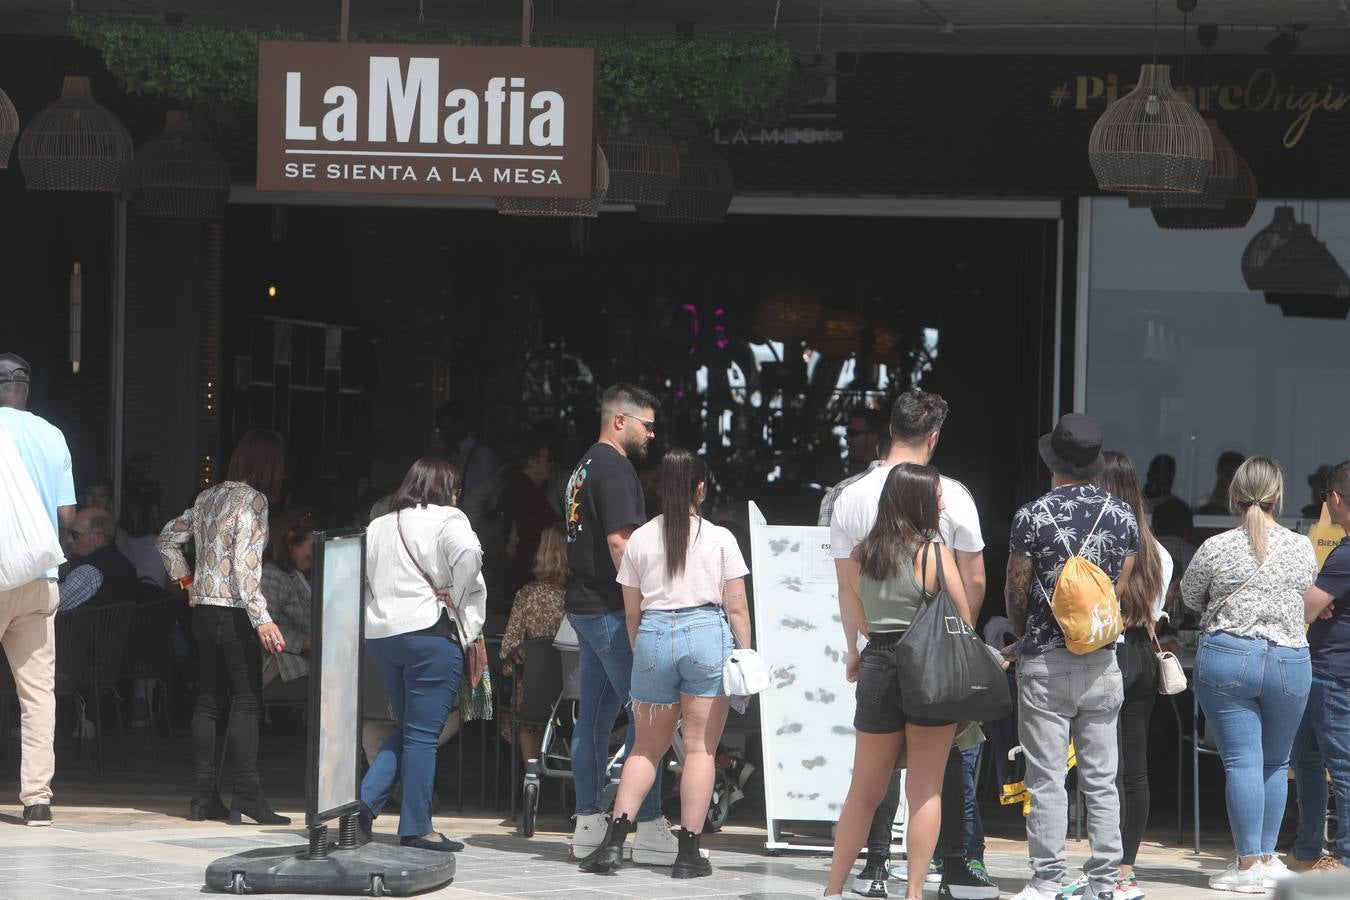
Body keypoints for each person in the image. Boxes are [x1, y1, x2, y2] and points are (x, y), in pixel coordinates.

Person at [826, 390, 996, 900]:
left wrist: (857, 647)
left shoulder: (863, 546)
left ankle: (833, 889)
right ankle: (915, 892)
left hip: (878, 660)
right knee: (925, 788)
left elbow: (851, 600)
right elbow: (964, 606)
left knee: (863, 789)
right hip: (929, 670)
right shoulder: (935, 551)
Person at [579, 449, 752, 878]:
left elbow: (631, 613)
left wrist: (643, 651)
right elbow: (736, 608)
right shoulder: (720, 539)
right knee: (700, 750)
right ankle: (688, 853)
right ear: (700, 488)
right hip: (706, 635)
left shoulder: (640, 539)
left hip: (653, 635)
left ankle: (613, 844)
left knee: (644, 748)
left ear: (660, 488)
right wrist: (745, 652)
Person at [1004, 414, 1139, 900]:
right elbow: (1115, 592)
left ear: (1053, 462)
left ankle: (1047, 880)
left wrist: (1026, 632)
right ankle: (1104, 882)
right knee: (1102, 780)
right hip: (1102, 661)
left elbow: (1016, 590)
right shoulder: (1123, 517)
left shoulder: (1032, 515)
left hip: (1045, 660)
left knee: (1046, 779)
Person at [1181, 455, 1318, 892]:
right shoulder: (1301, 547)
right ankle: (1267, 858)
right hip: (1289, 660)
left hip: (1229, 656)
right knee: (1276, 762)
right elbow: (1306, 590)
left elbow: (1189, 597)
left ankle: (1246, 866)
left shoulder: (1216, 546)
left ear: (1234, 495)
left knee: (1242, 761)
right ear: (1278, 496)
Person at [563, 383, 680, 864]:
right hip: (612, 610)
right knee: (648, 717)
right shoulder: (614, 469)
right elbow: (620, 544)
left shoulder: (584, 465)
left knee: (592, 719)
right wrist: (647, 602)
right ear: (620, 420)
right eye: (646, 424)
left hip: (587, 606)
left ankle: (588, 821)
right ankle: (646, 824)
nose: (652, 434)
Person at [157, 429, 291, 826]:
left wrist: (187, 581)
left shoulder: (207, 497)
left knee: (208, 701)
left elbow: (166, 539)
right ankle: (246, 793)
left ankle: (203, 797)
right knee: (247, 702)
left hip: (203, 612)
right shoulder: (254, 500)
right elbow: (246, 566)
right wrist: (263, 618)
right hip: (235, 613)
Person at [1056, 452, 1171, 900]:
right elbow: (1156, 613)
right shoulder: (1158, 552)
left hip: (1109, 654)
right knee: (1135, 770)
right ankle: (1125, 870)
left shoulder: (1099, 543)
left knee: (1105, 772)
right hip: (1144, 655)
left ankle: (1103, 871)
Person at [359, 458, 486, 851]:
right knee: (422, 735)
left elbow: (362, 575)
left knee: (412, 729)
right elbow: (470, 553)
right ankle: (416, 828)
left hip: (383, 637)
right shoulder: (448, 518)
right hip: (429, 634)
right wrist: (456, 592)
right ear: (446, 490)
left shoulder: (380, 524)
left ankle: (363, 805)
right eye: (456, 490)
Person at [0, 352, 75, 827]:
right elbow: (67, 515)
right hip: (40, 579)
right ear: (26, 388)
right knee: (37, 694)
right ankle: (37, 799)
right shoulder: (52, 435)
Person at [1296, 459, 1350, 874]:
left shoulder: (1344, 555)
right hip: (1326, 672)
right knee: (1309, 761)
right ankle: (1308, 850)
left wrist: (1313, 598)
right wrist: (1318, 598)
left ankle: (1344, 857)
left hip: (1331, 673)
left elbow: (1305, 609)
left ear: (1334, 498)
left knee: (1341, 768)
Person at [500, 524, 568, 765]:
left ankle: (532, 776)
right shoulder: (577, 597)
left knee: (525, 709)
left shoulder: (527, 595)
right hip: (570, 695)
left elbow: (508, 651)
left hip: (533, 696)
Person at [259, 509, 314, 699]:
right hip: (282, 669)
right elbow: (265, 628)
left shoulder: (299, 575)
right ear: (291, 540)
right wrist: (308, 642)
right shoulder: (272, 575)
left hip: (304, 665)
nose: (314, 554)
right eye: (311, 546)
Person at [499, 434, 563, 592]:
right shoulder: (522, 491)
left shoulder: (525, 488)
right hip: (524, 574)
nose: (551, 464)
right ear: (532, 460)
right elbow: (545, 526)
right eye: (548, 458)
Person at [57, 507, 136, 613]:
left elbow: (47, 605)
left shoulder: (88, 572)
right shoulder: (125, 563)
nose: (69, 540)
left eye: (75, 535)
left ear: (98, 538)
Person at [436, 401, 497, 495]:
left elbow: (484, 495)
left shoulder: (483, 455)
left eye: (447, 428)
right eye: (440, 429)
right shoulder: (448, 456)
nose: (443, 434)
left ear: (461, 425)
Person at [1195, 451, 1246, 516]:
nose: (1231, 480)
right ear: (1218, 471)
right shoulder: (1199, 508)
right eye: (1228, 473)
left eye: (1237, 476)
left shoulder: (1246, 511)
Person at [845, 407, 887, 477]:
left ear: (873, 437)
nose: (846, 437)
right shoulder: (857, 468)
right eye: (847, 431)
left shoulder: (886, 474)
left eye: (852, 433)